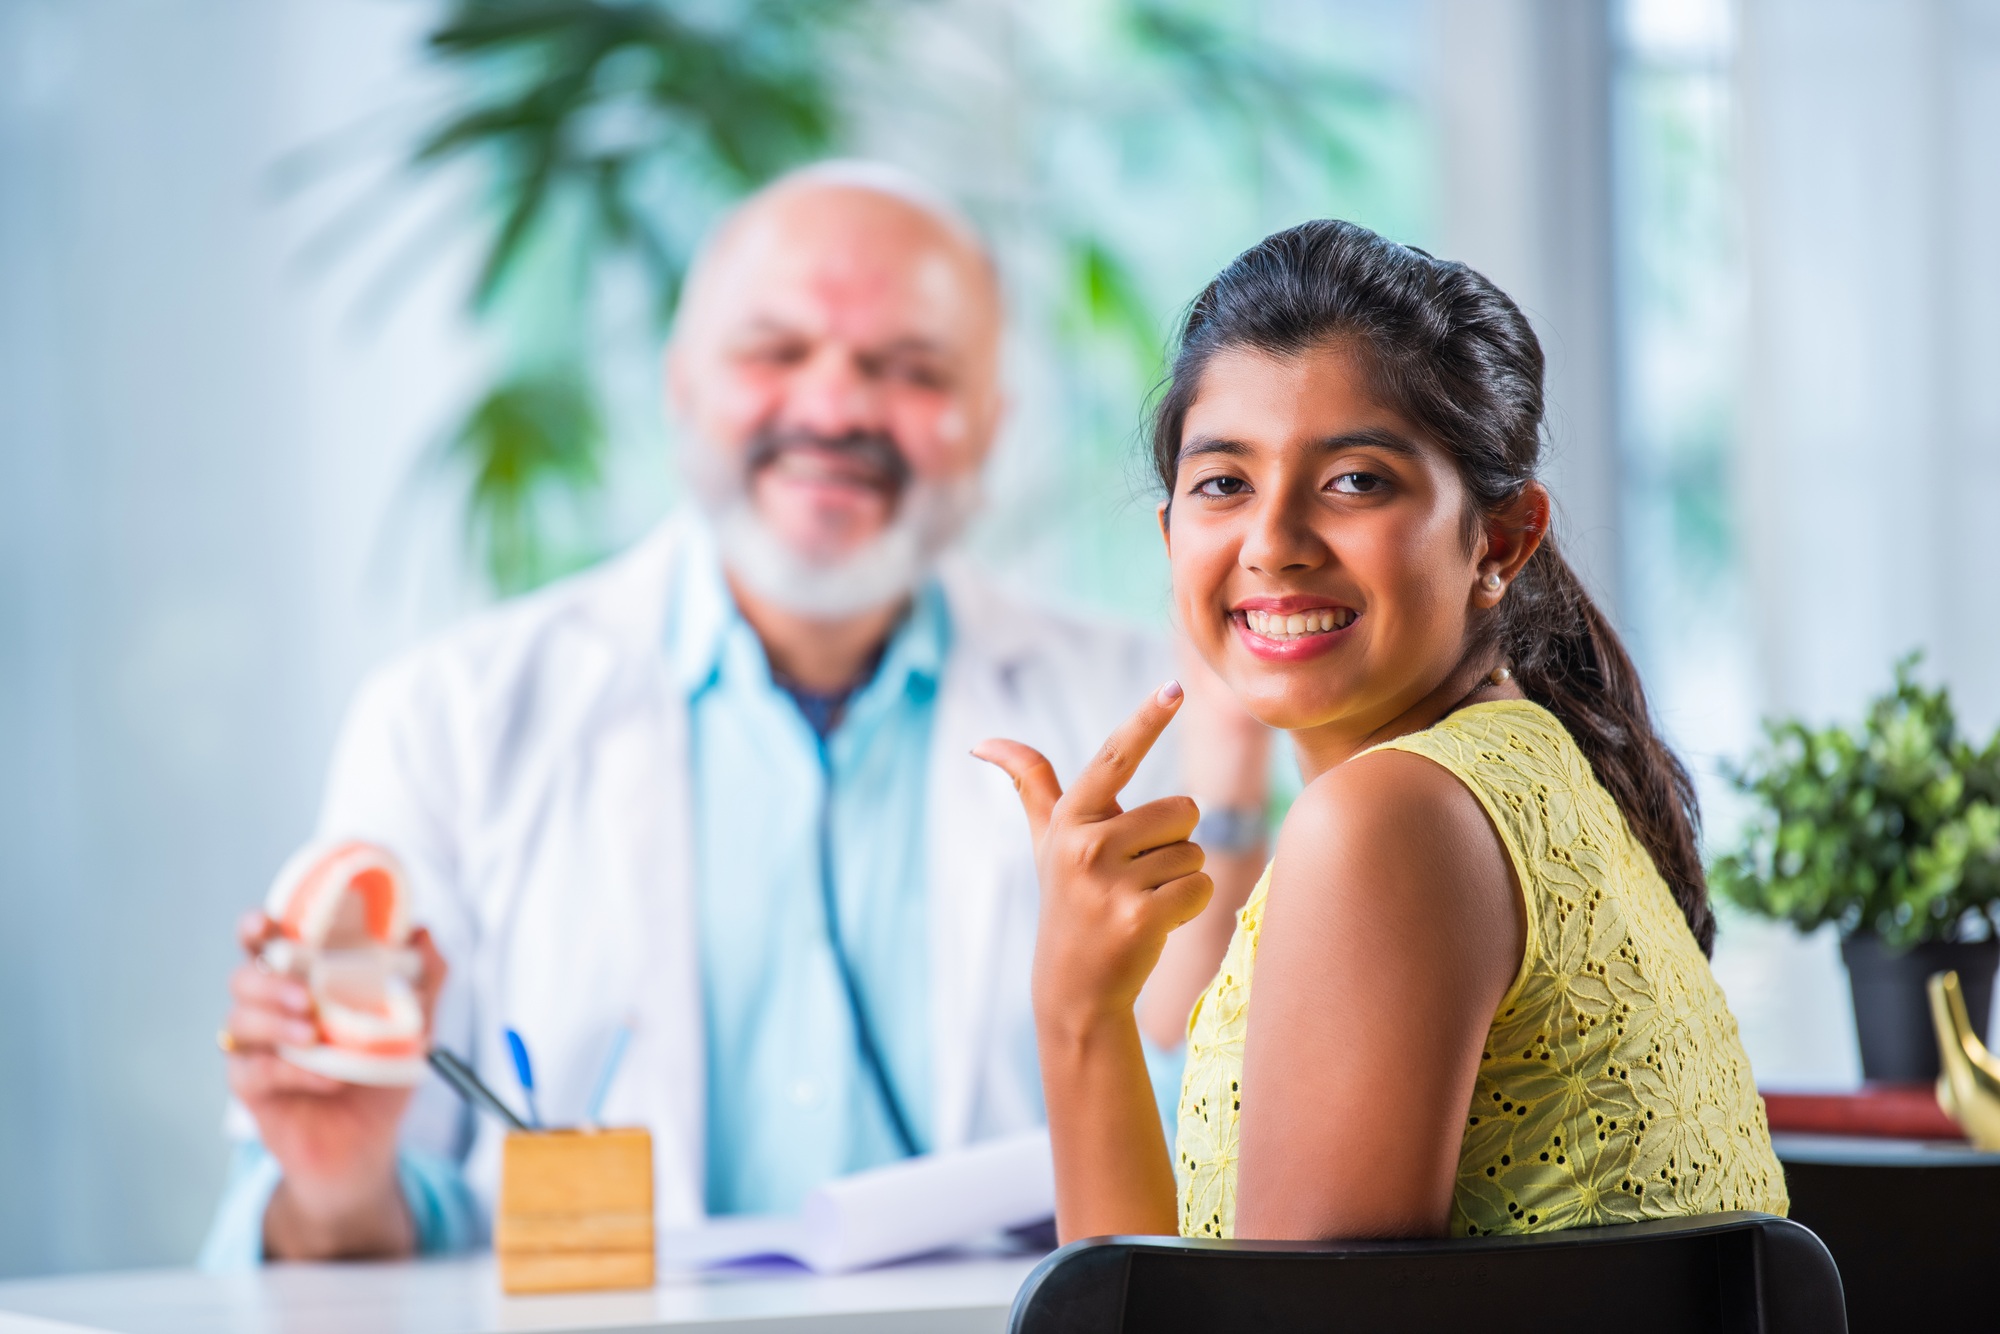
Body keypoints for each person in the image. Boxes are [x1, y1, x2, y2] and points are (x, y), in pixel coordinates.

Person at [201, 162, 1269, 1265]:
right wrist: (334, 1189)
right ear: (680, 387)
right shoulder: (448, 717)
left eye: (908, 368)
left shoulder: (1146, 711)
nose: (835, 407)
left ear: (988, 424)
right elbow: (370, 1227)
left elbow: (1209, 1169)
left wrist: (1233, 787)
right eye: (775, 353)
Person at [977, 219, 1788, 1243]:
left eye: (1353, 479)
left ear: (1499, 540)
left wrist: (1069, 1011)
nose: (1270, 544)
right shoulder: (1523, 772)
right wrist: (1085, 1008)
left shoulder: (1386, 819)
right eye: (1223, 482)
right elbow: (1160, 1300)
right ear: (1169, 532)